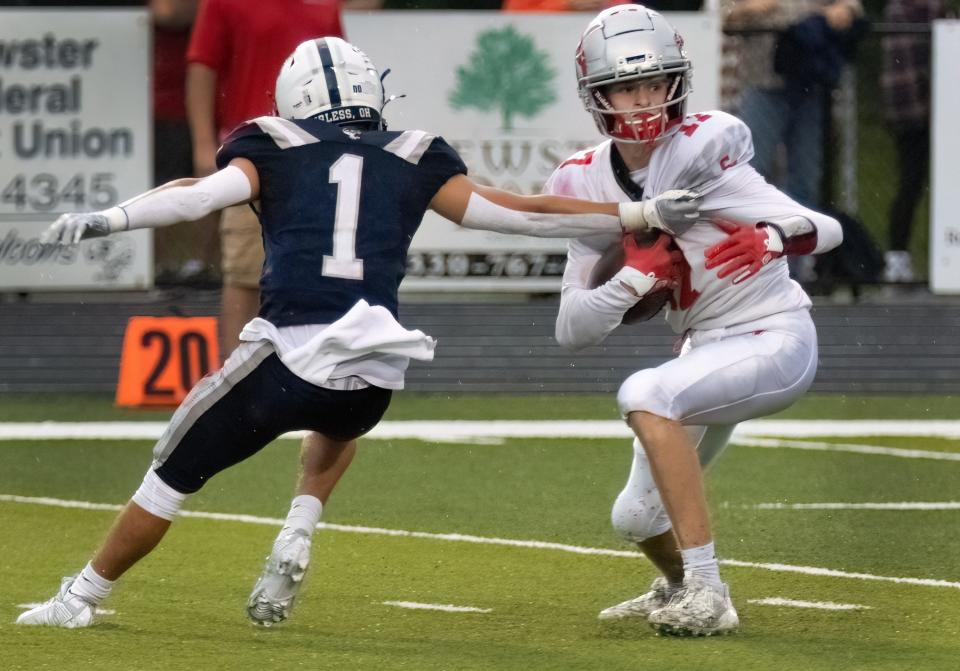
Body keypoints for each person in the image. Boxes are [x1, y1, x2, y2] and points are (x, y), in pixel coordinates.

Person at [16, 37, 696, 629]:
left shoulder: (271, 142)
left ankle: (81, 594)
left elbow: (198, 193)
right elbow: (519, 214)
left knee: (170, 471)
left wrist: (110, 219)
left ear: (295, 98)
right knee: (340, 400)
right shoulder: (414, 150)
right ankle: (298, 527)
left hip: (290, 352)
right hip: (376, 372)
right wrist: (637, 210)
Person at [545, 5, 842, 636]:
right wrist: (631, 282)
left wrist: (772, 238)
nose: (646, 99)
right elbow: (571, 329)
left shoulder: (705, 148)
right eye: (629, 86)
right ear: (599, 94)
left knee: (645, 393)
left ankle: (710, 591)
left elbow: (827, 228)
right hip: (701, 349)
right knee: (636, 519)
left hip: (772, 332)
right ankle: (679, 585)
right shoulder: (584, 180)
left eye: (655, 83)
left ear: (677, 81)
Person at [187, 0, 370, 358]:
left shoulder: (325, 3)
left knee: (320, 273)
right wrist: (202, 143)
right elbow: (202, 67)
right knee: (244, 271)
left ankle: (309, 376)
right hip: (253, 152)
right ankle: (235, 376)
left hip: (317, 156)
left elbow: (342, 76)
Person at [880, 0, 951, 283]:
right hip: (915, 110)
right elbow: (914, 65)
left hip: (934, 110)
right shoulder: (906, 9)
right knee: (911, 182)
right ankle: (898, 258)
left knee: (930, 185)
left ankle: (941, 256)